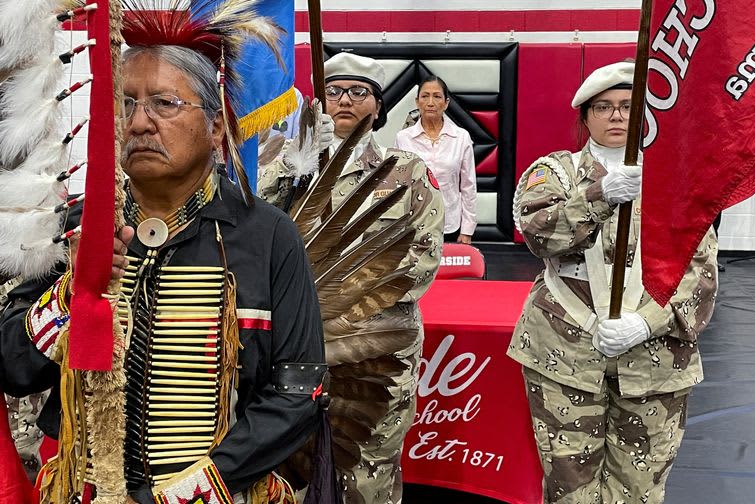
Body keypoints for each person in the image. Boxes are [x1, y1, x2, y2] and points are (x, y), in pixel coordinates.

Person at [0, 44, 327, 503]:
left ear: (215, 128)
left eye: (164, 103)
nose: (138, 123)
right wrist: (75, 291)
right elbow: (13, 369)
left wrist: (180, 495)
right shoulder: (76, 230)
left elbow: (297, 391)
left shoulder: (268, 235)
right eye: (125, 104)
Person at [507, 61, 718, 504]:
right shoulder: (555, 172)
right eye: (603, 107)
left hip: (654, 359)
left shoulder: (674, 179)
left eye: (627, 106)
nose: (617, 115)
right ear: (584, 118)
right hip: (564, 352)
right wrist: (599, 195)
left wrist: (646, 323)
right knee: (570, 487)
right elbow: (538, 235)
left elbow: (700, 270)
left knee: (641, 487)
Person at [259, 52, 444, 504]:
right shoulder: (283, 162)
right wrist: (292, 164)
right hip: (291, 342)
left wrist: (342, 301)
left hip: (374, 347)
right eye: (334, 91)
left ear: (378, 107)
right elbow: (248, 225)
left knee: (369, 466)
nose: (345, 100)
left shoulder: (406, 173)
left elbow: (423, 258)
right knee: (287, 466)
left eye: (359, 93)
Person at [394, 76, 477, 244]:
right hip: (413, 223)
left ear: (446, 103)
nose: (430, 102)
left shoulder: (461, 137)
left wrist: (467, 230)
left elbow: (468, 186)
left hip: (450, 224)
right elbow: (398, 184)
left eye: (437, 96)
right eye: (425, 96)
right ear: (417, 102)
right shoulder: (403, 138)